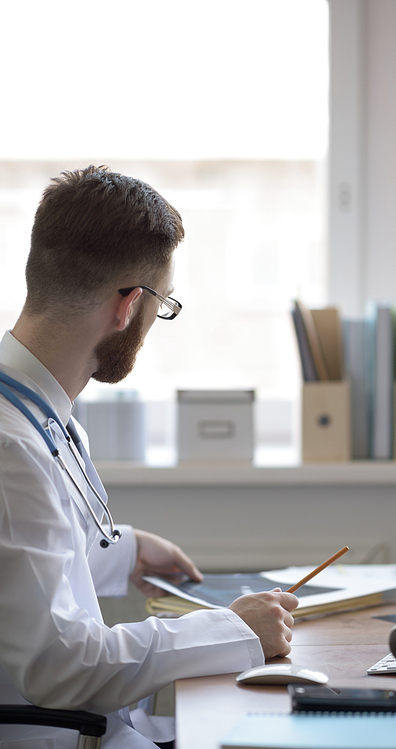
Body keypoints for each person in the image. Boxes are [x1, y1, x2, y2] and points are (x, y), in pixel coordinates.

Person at [0, 166, 298, 748]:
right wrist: (231, 629)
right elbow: (62, 665)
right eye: (162, 307)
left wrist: (127, 552)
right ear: (128, 305)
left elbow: (26, 564)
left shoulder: (37, 412)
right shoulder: (11, 446)